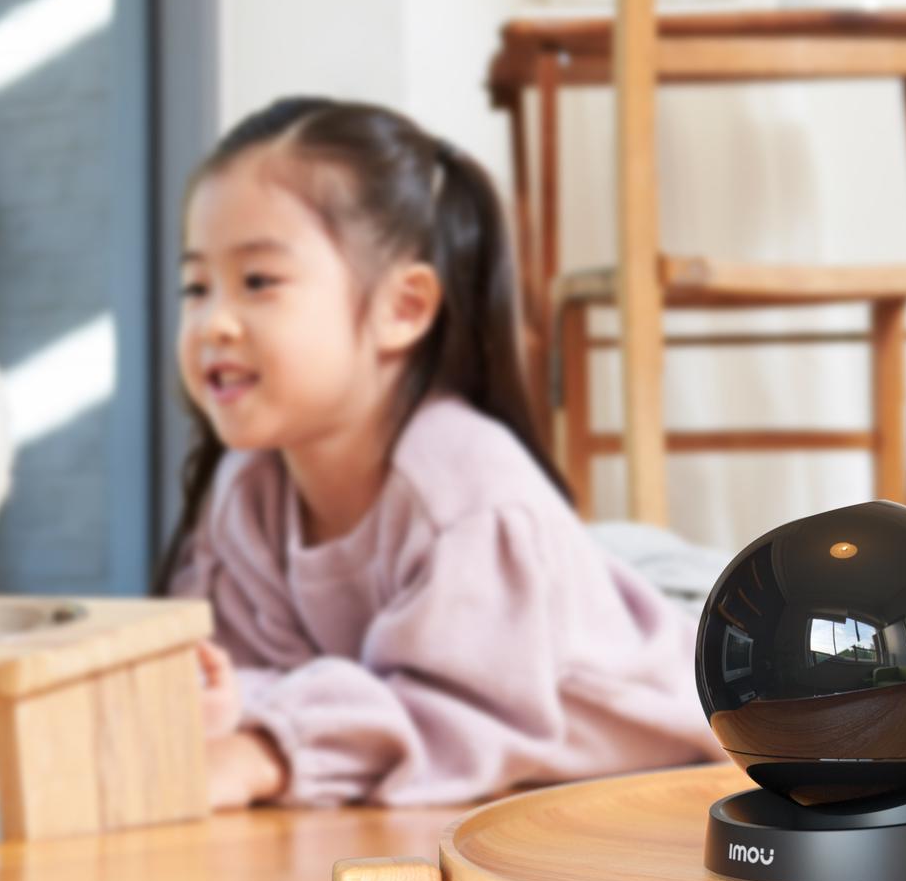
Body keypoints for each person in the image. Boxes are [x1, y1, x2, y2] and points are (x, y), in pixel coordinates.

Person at [164, 96, 723, 809]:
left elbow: (459, 715)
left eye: (258, 282)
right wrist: (226, 701)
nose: (214, 323)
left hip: (707, 651)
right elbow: (260, 674)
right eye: (196, 287)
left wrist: (269, 751)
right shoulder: (247, 492)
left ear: (402, 308)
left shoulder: (465, 487)